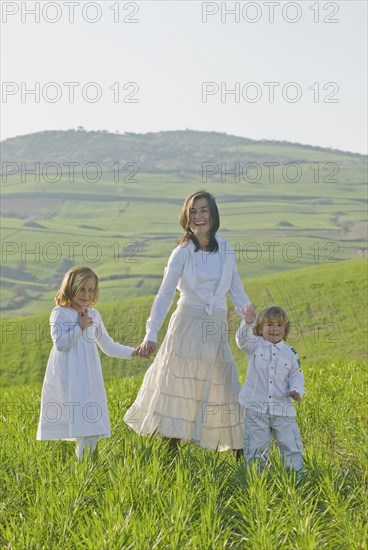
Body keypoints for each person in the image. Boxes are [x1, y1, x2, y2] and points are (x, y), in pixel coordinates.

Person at [124, 190, 255, 453]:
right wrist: (151, 333)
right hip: (186, 325)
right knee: (179, 385)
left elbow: (237, 290)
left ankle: (240, 452)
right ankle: (171, 453)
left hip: (215, 327)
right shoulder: (182, 252)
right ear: (186, 216)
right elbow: (164, 295)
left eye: (203, 210)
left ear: (213, 214)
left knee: (226, 387)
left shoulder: (226, 249)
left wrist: (251, 316)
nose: (198, 216)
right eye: (193, 211)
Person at [37, 266, 138, 460]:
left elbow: (107, 345)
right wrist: (80, 327)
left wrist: (134, 352)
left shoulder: (94, 315)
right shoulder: (60, 313)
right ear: (70, 288)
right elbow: (60, 344)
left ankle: (86, 469)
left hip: (89, 377)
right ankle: (85, 470)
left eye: (91, 290)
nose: (86, 294)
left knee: (90, 426)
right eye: (81, 289)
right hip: (70, 377)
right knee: (83, 425)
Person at [236, 305, 304, 472]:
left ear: (285, 329)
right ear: (260, 328)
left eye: (279, 325)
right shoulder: (254, 346)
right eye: (269, 324)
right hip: (256, 408)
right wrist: (247, 322)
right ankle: (258, 480)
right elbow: (241, 339)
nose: (275, 329)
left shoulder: (290, 353)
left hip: (283, 409)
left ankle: (296, 477)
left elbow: (296, 375)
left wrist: (296, 390)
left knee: (291, 446)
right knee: (256, 447)